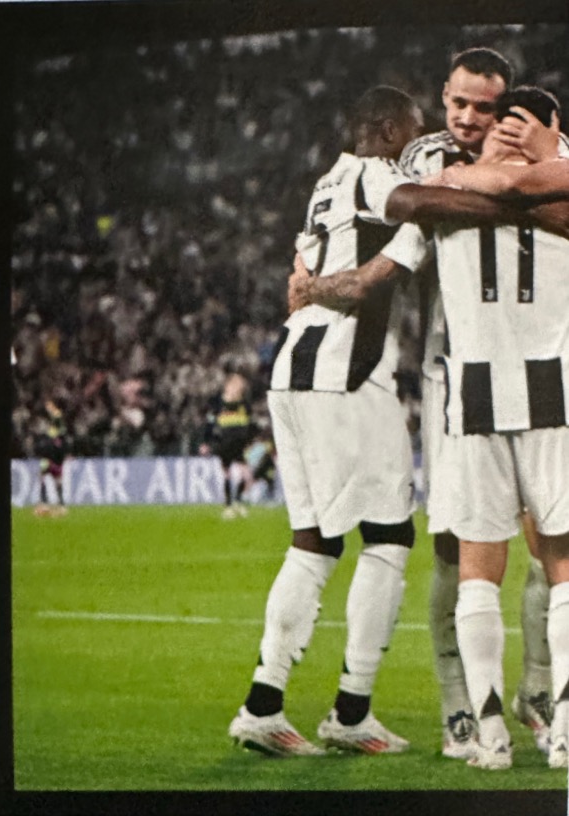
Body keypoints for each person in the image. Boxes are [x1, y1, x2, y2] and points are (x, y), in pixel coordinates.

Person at [229, 83, 525, 758]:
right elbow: (425, 204)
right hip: (346, 373)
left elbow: (309, 266)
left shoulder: (325, 184)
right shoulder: (372, 175)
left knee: (313, 543)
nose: (417, 147)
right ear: (389, 130)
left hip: (294, 370)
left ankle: (263, 705)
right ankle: (351, 709)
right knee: (389, 537)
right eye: (413, 132)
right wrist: (509, 196)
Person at [288, 87, 569, 769]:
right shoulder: (555, 192)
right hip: (548, 393)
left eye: (504, 122)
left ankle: (493, 730)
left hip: (474, 395)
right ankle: (551, 726)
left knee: (483, 568)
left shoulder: (445, 192)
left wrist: (311, 283)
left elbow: (378, 269)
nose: (492, 131)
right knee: (552, 564)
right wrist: (529, 178)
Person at [200, 368, 254, 519]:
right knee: (227, 474)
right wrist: (206, 442)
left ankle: (237, 501)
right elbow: (210, 423)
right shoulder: (218, 403)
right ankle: (229, 505)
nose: (239, 387)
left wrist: (249, 441)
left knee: (247, 475)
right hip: (224, 442)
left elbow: (249, 424)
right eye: (236, 384)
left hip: (239, 444)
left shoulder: (244, 403)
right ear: (228, 385)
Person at [34, 400, 69, 518]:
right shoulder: (61, 433)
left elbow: (57, 417)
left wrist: (51, 410)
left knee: (42, 477)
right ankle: (61, 505)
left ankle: (44, 503)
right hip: (57, 462)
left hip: (48, 460)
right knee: (57, 481)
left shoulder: (53, 431)